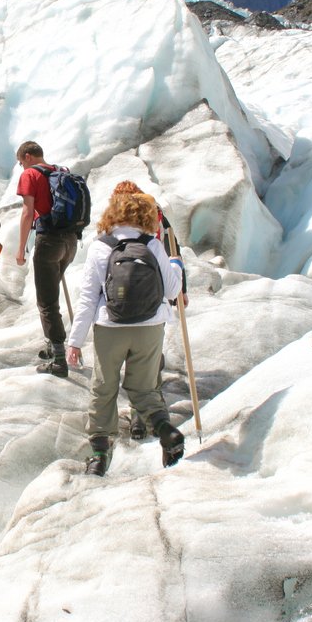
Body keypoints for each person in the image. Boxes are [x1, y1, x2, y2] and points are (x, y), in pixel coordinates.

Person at [65, 189, 185, 477]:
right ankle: (165, 430)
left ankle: (98, 456)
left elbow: (88, 298)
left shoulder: (101, 247)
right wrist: (176, 266)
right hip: (150, 327)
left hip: (110, 327)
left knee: (104, 387)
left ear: (112, 214)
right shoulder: (153, 246)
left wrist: (75, 342)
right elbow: (172, 291)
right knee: (144, 388)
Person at [111, 180, 189, 440]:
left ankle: (138, 414)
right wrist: (181, 288)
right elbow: (174, 251)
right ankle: (151, 409)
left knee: (134, 356)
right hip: (155, 293)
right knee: (150, 353)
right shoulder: (158, 216)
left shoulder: (121, 221)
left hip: (124, 298)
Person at [15, 141, 78, 377]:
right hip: (70, 242)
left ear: (28, 157)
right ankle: (53, 345)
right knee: (51, 294)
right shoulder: (60, 172)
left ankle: (59, 359)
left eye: (21, 162)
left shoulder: (30, 174)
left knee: (47, 301)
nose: (22, 168)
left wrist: (21, 248)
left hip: (49, 241)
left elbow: (27, 212)